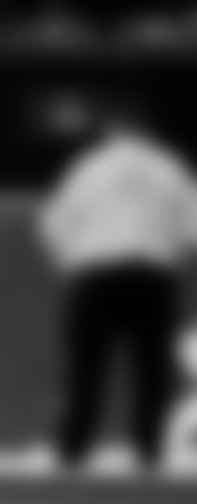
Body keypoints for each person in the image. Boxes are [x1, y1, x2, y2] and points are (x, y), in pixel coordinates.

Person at [40, 99, 197, 474]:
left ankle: (72, 450)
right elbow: (193, 226)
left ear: (111, 133)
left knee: (85, 368)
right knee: (151, 370)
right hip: (151, 275)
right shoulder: (168, 166)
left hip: (95, 275)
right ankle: (148, 450)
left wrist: (72, 263)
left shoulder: (89, 167)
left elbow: (54, 220)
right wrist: (170, 255)